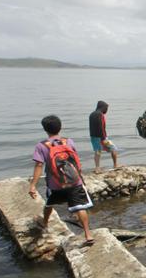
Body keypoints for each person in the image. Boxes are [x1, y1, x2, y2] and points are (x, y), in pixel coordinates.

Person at [29, 115, 94, 245]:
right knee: (80, 207)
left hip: (55, 184)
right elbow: (74, 160)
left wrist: (33, 185)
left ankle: (45, 224)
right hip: (74, 181)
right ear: (60, 127)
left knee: (49, 204)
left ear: (45, 129)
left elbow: (39, 165)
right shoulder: (69, 141)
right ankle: (88, 235)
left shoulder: (41, 146)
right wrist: (79, 176)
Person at [89, 100, 119, 173]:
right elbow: (101, 127)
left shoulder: (91, 114)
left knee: (97, 152)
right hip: (101, 137)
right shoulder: (100, 115)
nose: (106, 110)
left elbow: (91, 127)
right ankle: (115, 165)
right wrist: (103, 138)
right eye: (106, 108)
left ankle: (97, 168)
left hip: (93, 136)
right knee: (113, 148)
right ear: (102, 107)